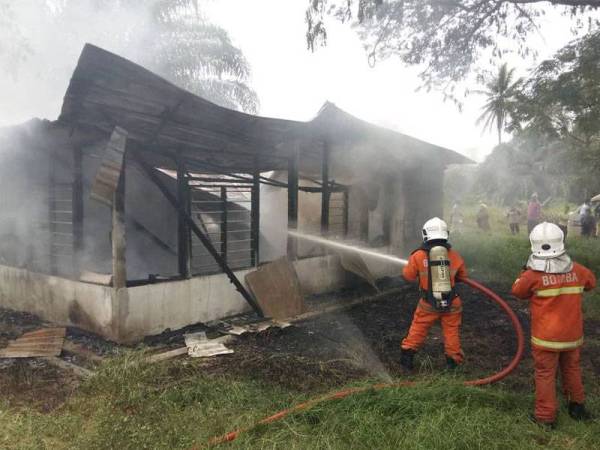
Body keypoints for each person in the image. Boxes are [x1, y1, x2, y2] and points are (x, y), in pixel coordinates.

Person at [511, 222, 596, 428]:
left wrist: (523, 273)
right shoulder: (578, 270)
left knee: (545, 374)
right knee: (572, 369)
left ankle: (545, 417)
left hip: (546, 339)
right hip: (572, 336)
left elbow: (518, 292)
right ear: (561, 242)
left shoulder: (532, 275)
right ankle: (577, 407)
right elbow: (591, 283)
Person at [400, 217, 467, 371]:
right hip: (452, 303)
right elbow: (463, 276)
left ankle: (407, 359)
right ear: (446, 234)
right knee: (451, 332)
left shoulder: (417, 256)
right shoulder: (454, 255)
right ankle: (453, 363)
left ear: (425, 234)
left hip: (428, 303)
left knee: (418, 328)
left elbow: (408, 276)